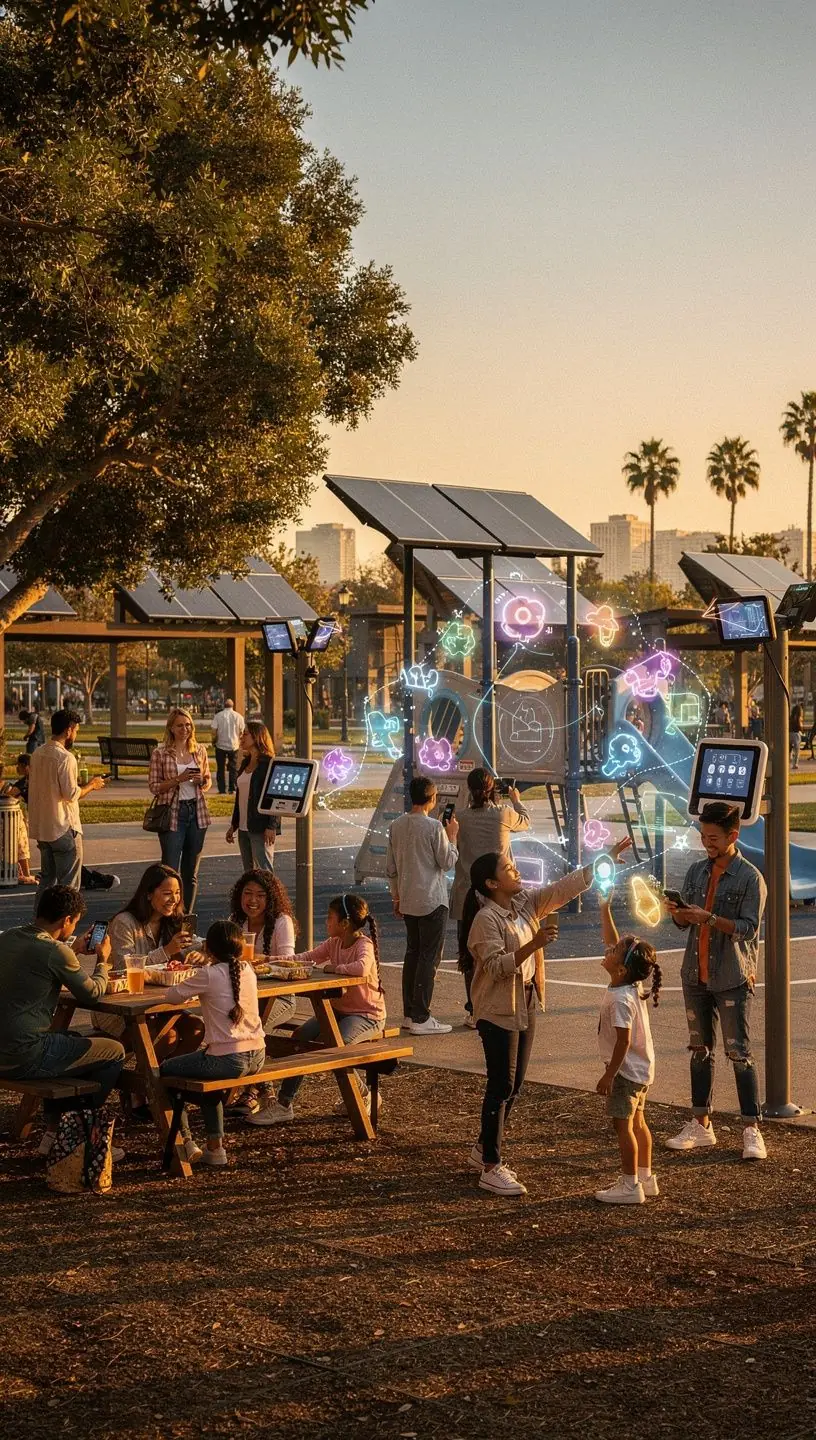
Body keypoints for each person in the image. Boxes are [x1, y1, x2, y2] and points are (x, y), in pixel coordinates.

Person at [461, 839, 631, 1197]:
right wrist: (534, 945)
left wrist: (604, 860)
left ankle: (482, 1149)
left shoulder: (524, 904)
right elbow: (494, 967)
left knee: (515, 1084)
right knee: (501, 1086)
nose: (516, 870)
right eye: (508, 869)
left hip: (525, 1000)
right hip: (497, 1008)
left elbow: (562, 889)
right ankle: (491, 1167)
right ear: (491, 884)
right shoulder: (485, 920)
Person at [665, 799, 768, 1161]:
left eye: (712, 836)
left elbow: (749, 929)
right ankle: (701, 1123)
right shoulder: (696, 871)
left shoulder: (750, 878)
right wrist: (678, 914)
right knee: (699, 1051)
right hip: (695, 975)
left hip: (732, 977)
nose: (706, 842)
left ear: (732, 835)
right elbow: (683, 925)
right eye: (703, 835)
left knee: (739, 1053)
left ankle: (751, 1129)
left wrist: (708, 918)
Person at [0, 885, 125, 1158]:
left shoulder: (9, 937)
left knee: (74, 1042)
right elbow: (92, 993)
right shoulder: (55, 951)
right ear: (67, 920)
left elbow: (40, 966)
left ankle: (54, 1132)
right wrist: (103, 960)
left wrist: (73, 949)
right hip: (25, 1054)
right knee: (114, 1051)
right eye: (75, 921)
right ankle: (82, 1133)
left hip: (4, 1049)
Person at [247, 892, 386, 1127]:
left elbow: (362, 968)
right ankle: (284, 1104)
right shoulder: (334, 943)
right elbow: (305, 958)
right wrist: (270, 961)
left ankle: (362, 1093)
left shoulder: (365, 944)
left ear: (344, 923)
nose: (326, 922)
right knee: (299, 1039)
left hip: (367, 1015)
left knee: (334, 1047)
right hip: (338, 1011)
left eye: (330, 918)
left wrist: (334, 968)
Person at [160, 920, 266, 1166]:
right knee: (208, 1082)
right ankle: (214, 1148)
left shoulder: (208, 974)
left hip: (228, 1059)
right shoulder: (248, 971)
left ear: (208, 948)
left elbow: (172, 996)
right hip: (257, 1055)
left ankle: (186, 1141)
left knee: (163, 1071)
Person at [595, 889, 662, 1205]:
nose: (609, 949)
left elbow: (622, 1041)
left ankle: (629, 1185)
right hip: (642, 1069)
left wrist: (609, 1075)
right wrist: (604, 906)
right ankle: (646, 1178)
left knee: (624, 1127)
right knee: (639, 1122)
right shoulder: (631, 981)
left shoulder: (622, 999)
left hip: (625, 1072)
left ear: (620, 968)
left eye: (614, 951)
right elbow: (613, 938)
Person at [450, 769, 531, 1027]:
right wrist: (516, 798)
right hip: (498, 896)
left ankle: (473, 1008)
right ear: (493, 788)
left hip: (467, 893)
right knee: (500, 950)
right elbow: (526, 821)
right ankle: (497, 1005)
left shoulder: (460, 818)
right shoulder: (504, 814)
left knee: (470, 951)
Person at [386, 775, 459, 1036]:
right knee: (429, 958)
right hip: (432, 899)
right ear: (432, 799)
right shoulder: (434, 827)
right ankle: (421, 1015)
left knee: (413, 955)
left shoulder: (396, 825)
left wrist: (396, 897)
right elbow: (447, 861)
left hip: (407, 898)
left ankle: (409, 1013)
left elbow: (391, 868)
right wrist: (452, 837)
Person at [228, 868, 298, 1115]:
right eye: (247, 893)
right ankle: (244, 1088)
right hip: (245, 998)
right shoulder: (236, 922)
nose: (253, 900)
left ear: (270, 899)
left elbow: (289, 962)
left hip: (279, 997)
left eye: (260, 895)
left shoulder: (281, 922)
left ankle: (255, 1091)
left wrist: (262, 959)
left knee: (253, 1031)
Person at [27, 708, 106, 898]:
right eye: (76, 731)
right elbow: (71, 794)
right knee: (69, 886)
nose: (75, 735)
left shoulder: (37, 753)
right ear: (69, 730)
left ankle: (40, 923)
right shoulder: (65, 757)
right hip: (63, 827)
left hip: (43, 828)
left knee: (47, 882)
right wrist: (92, 785)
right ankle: (64, 923)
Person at [147, 707, 212, 912]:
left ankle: (186, 917)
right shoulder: (161, 753)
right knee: (170, 871)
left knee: (190, 873)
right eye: (180, 725)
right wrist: (178, 779)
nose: (185, 728)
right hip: (173, 814)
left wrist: (202, 781)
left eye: (188, 724)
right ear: (171, 728)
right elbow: (154, 786)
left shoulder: (199, 750)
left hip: (196, 813)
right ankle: (168, 914)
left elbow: (208, 781)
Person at [226, 721, 279, 873]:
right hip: (243, 828)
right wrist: (234, 825)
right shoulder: (245, 763)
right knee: (249, 873)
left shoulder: (268, 764)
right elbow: (240, 797)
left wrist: (271, 826)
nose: (241, 736)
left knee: (264, 872)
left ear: (257, 737)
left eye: (245, 733)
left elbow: (274, 797)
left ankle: (270, 897)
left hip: (260, 827)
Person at [1, 755, 36, 884]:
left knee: (23, 842)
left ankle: (26, 873)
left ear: (26, 766)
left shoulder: (28, 781)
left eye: (19, 765)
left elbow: (8, 797)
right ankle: (26, 873)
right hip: (34, 811)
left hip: (37, 812)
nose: (17, 768)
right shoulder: (25, 781)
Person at [211, 697, 244, 794]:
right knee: (233, 768)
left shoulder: (218, 716)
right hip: (234, 745)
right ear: (233, 706)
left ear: (224, 706)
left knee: (220, 768)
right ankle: (232, 788)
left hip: (220, 745)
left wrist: (214, 741)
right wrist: (239, 740)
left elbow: (214, 730)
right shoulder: (239, 716)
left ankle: (221, 789)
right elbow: (242, 731)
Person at [790, 703, 805, 771]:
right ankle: (795, 764)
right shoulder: (798, 719)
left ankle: (788, 759)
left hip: (789, 734)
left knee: (789, 749)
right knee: (797, 750)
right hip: (796, 735)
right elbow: (799, 728)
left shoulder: (790, 718)